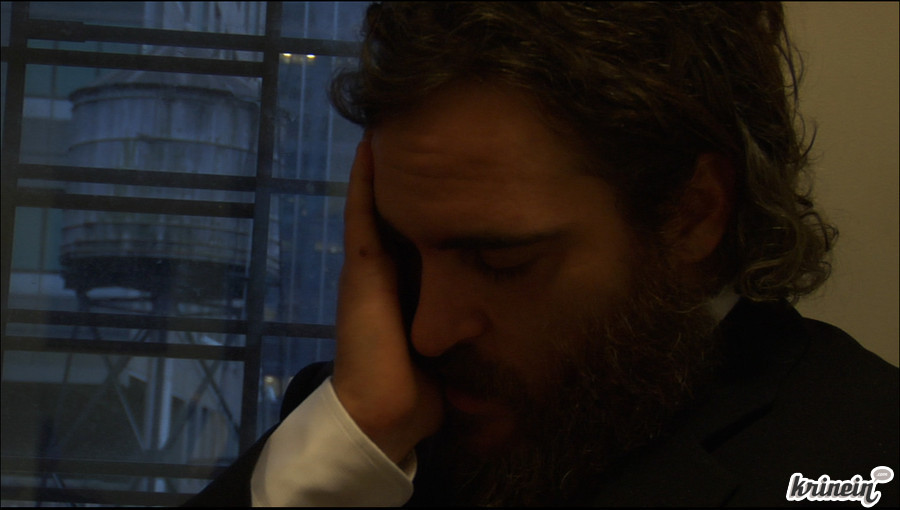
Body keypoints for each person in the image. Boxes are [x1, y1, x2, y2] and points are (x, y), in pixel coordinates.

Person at [187, 2, 899, 507]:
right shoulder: (365, 422)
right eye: (400, 248)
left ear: (692, 214)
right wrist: (347, 452)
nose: (428, 331)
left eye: (501, 263)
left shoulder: (863, 453)